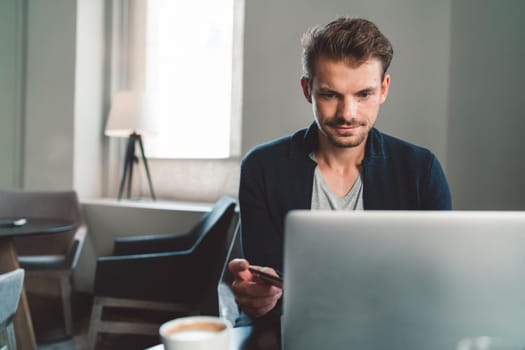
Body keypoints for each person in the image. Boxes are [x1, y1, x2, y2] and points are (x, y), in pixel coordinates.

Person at [228, 17, 451, 324]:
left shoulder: (421, 172)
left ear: (383, 89)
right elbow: (264, 294)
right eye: (330, 94)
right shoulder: (262, 169)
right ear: (308, 89)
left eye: (364, 95)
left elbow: (436, 286)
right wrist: (257, 298)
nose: (348, 113)